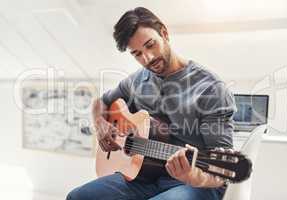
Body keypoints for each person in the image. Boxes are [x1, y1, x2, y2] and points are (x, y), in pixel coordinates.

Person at [66, 7, 236, 200]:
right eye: (137, 54)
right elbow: (101, 102)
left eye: (150, 45)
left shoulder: (210, 88)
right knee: (78, 196)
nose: (147, 58)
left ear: (164, 33)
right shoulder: (137, 81)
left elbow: (223, 172)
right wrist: (100, 124)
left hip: (194, 183)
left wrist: (193, 176)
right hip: (143, 176)